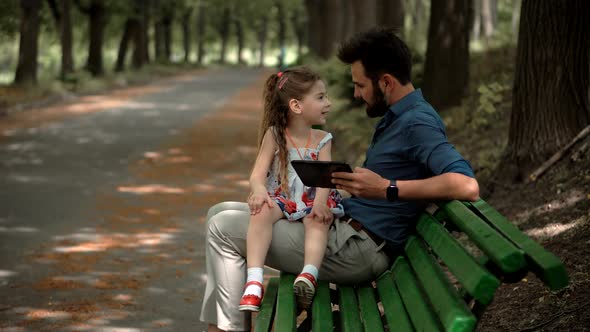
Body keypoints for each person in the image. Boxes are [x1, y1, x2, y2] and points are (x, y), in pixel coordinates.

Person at [200, 28, 479, 332]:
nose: (357, 94)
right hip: (348, 232)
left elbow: (466, 184)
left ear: (385, 82)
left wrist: (387, 189)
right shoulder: (398, 116)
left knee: (221, 228)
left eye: (360, 85)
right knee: (220, 212)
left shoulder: (418, 123)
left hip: (358, 248)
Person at [238, 67, 345, 313]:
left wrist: (320, 203)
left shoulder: (323, 139)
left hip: (311, 200)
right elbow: (257, 173)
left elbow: (325, 179)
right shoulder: (275, 135)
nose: (328, 103)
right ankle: (254, 281)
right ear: (296, 106)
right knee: (260, 212)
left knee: (317, 220)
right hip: (283, 198)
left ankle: (308, 275)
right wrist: (258, 190)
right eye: (320, 97)